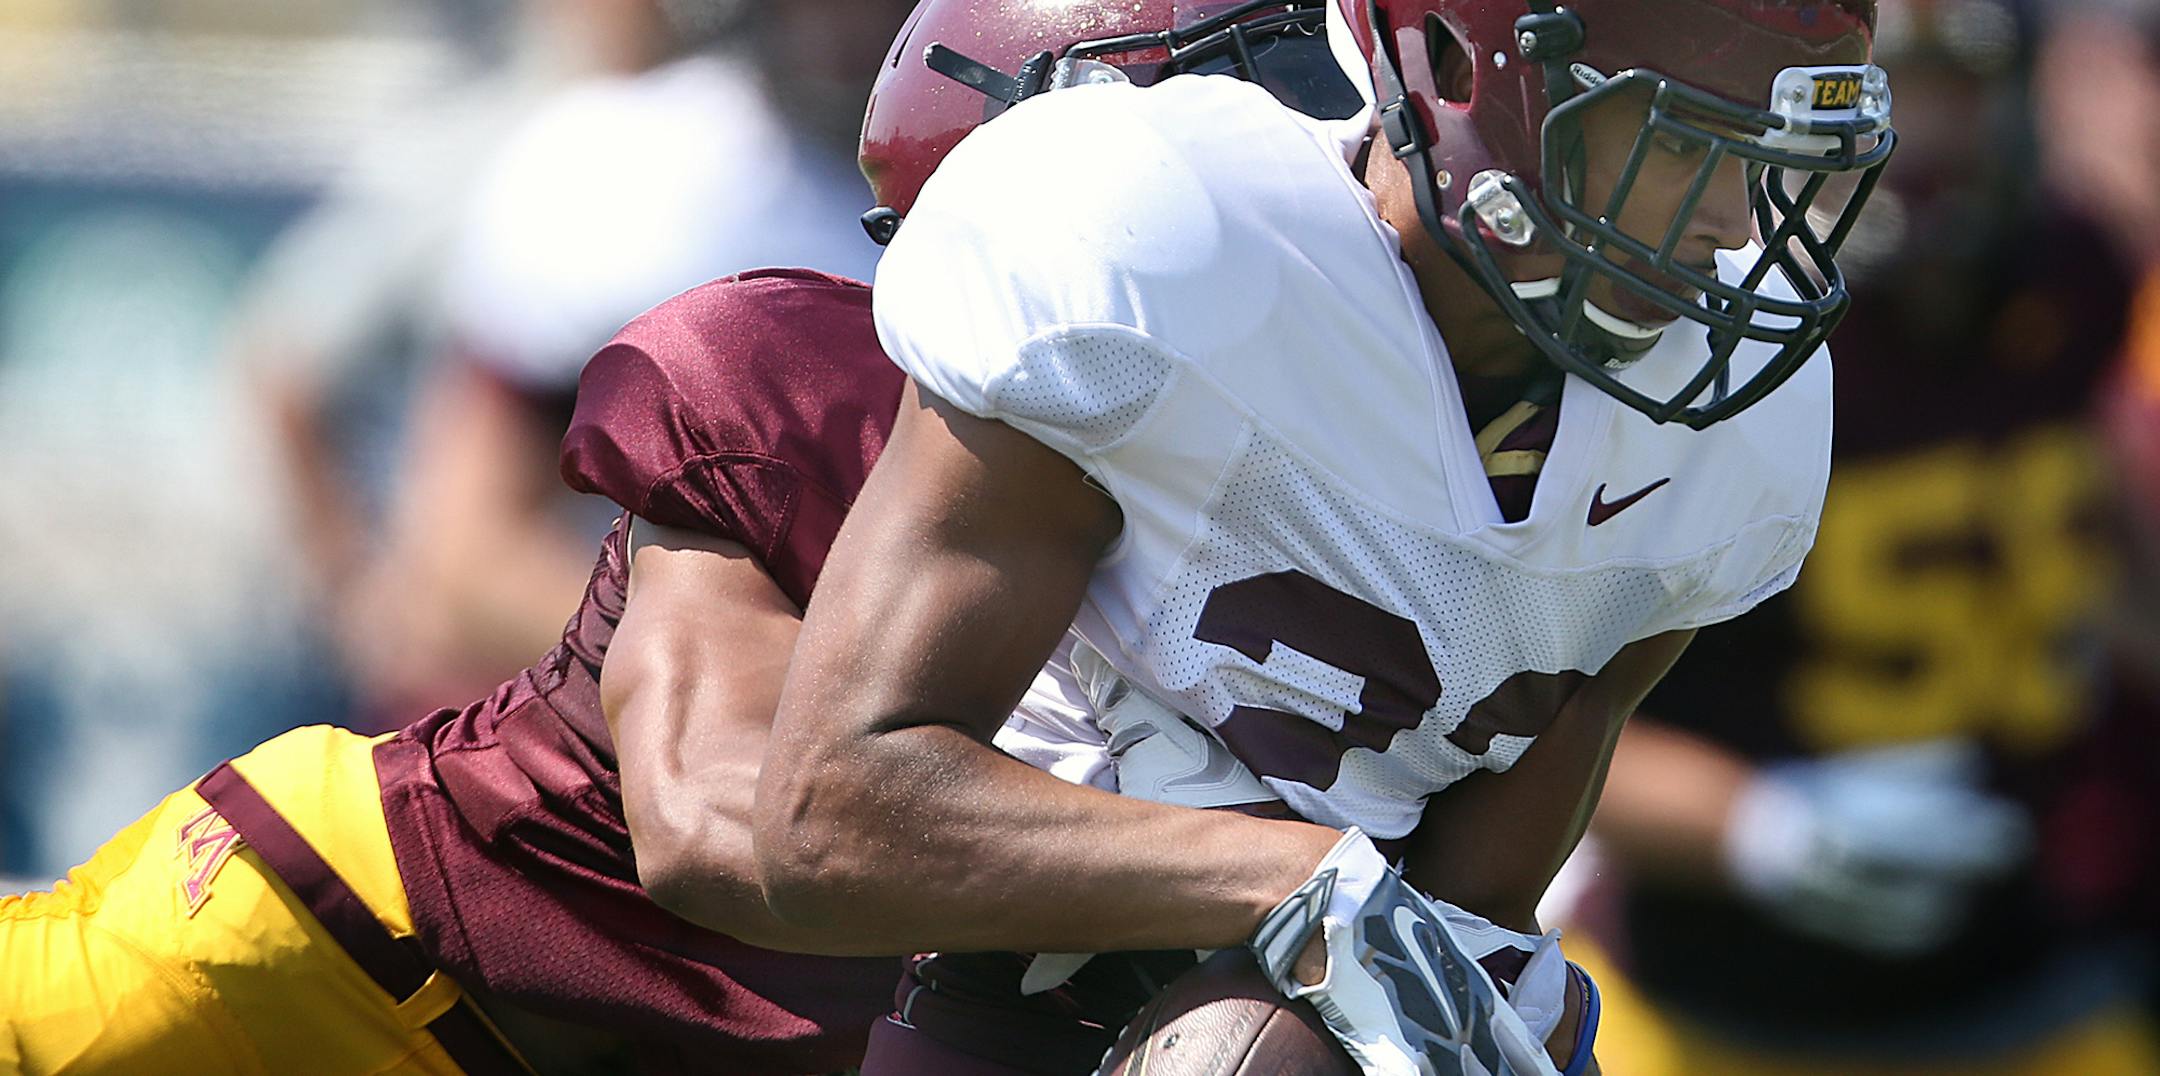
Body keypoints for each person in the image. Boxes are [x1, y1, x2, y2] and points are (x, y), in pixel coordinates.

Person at [0, 7, 1367, 1073]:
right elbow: (731, 826)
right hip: (339, 962)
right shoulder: (804, 373)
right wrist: (1273, 877)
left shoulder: (1328, 485)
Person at [746, 0, 1893, 1072]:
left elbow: (1471, 905)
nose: (1730, 225)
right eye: (1680, 144)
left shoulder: (1738, 423)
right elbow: (831, 813)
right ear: (1456, 69)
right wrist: (1293, 879)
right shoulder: (1165, 239)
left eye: (1759, 156)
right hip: (1026, 1014)